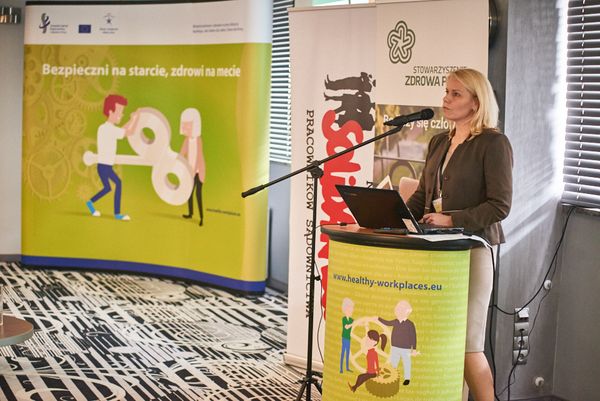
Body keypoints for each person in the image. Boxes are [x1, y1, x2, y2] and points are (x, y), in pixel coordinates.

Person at [405, 68, 513, 401]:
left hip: (473, 251)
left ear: (476, 102)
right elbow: (422, 196)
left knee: (467, 342)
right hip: (435, 252)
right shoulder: (439, 141)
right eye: (446, 92)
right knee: (440, 339)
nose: (446, 99)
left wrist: (452, 219)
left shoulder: (493, 144)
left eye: (456, 94)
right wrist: (393, 217)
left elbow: (499, 206)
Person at [86, 94, 139, 221]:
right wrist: (135, 119)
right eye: (119, 112)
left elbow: (122, 131)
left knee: (108, 188)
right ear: (110, 112)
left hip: (104, 166)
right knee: (117, 184)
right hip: (104, 166)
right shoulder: (108, 129)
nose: (122, 115)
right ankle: (117, 214)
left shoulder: (105, 128)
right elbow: (129, 132)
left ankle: (90, 203)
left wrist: (131, 120)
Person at [377, 299, 419, 386]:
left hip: (406, 349)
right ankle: (393, 377)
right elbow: (387, 323)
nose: (399, 312)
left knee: (406, 363)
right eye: (398, 310)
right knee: (394, 363)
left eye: (401, 310)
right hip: (395, 347)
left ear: (407, 311)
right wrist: (378, 318)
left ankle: (407, 378)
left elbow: (413, 336)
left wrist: (414, 349)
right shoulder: (396, 321)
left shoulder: (410, 324)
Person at [178, 108, 206, 226]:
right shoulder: (186, 140)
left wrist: (193, 171)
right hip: (190, 171)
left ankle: (201, 217)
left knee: (198, 194)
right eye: (184, 125)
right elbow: (181, 153)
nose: (185, 128)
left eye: (188, 125)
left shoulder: (198, 140)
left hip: (198, 172)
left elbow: (199, 157)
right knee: (189, 193)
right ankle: (190, 213)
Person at [339, 298, 355, 373]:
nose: (351, 310)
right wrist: (352, 324)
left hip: (348, 338)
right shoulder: (344, 319)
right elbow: (346, 327)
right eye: (350, 308)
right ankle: (341, 368)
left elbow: (355, 324)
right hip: (344, 338)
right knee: (343, 352)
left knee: (348, 353)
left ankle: (347, 367)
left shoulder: (351, 320)